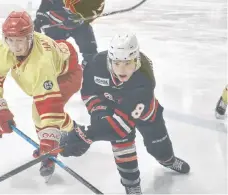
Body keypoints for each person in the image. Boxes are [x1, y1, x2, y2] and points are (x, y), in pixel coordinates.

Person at [59, 33, 190, 194]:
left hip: (145, 114)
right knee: (122, 146)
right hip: (109, 107)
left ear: (136, 61)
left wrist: (86, 134)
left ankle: (167, 160)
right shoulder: (96, 64)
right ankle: (132, 185)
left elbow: (121, 126)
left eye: (128, 63)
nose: (122, 69)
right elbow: (88, 93)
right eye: (117, 63)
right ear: (110, 60)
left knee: (159, 146)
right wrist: (98, 114)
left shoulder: (144, 78)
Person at [0, 10, 83, 179]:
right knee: (44, 111)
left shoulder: (42, 61)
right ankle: (75, 130)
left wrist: (48, 142)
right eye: (10, 40)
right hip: (55, 58)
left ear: (30, 38)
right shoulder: (1, 49)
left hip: (67, 74)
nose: (15, 46)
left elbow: (49, 106)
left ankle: (51, 155)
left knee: (39, 111)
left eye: (20, 41)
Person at [33, 0, 105, 68]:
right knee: (51, 57)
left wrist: (81, 17)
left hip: (80, 27)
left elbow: (96, 9)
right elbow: (43, 10)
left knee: (91, 56)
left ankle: (90, 69)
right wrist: (40, 18)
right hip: (56, 27)